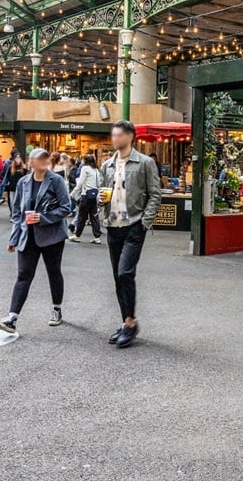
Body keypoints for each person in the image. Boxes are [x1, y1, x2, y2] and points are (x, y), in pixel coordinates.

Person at [0, 147, 73, 332]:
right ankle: (12, 318)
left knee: (54, 272)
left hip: (52, 236)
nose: (44, 161)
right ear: (32, 162)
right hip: (27, 235)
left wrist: (43, 218)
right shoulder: (23, 182)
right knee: (23, 275)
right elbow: (18, 214)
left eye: (46, 158)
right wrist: (13, 239)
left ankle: (56, 309)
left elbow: (66, 207)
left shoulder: (56, 180)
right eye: (39, 158)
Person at [100, 120, 163, 348]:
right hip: (112, 226)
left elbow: (155, 194)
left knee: (125, 273)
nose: (114, 138)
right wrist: (100, 203)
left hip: (134, 226)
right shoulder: (107, 165)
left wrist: (144, 223)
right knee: (118, 276)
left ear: (129, 137)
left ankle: (130, 321)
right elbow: (102, 193)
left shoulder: (145, 163)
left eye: (118, 135)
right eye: (113, 134)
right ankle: (126, 322)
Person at [70, 154, 102, 243]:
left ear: (86, 161)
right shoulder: (95, 169)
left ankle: (77, 235)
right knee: (94, 216)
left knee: (82, 216)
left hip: (85, 195)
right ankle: (97, 237)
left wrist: (72, 193)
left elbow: (80, 183)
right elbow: (99, 183)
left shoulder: (85, 169)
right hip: (94, 195)